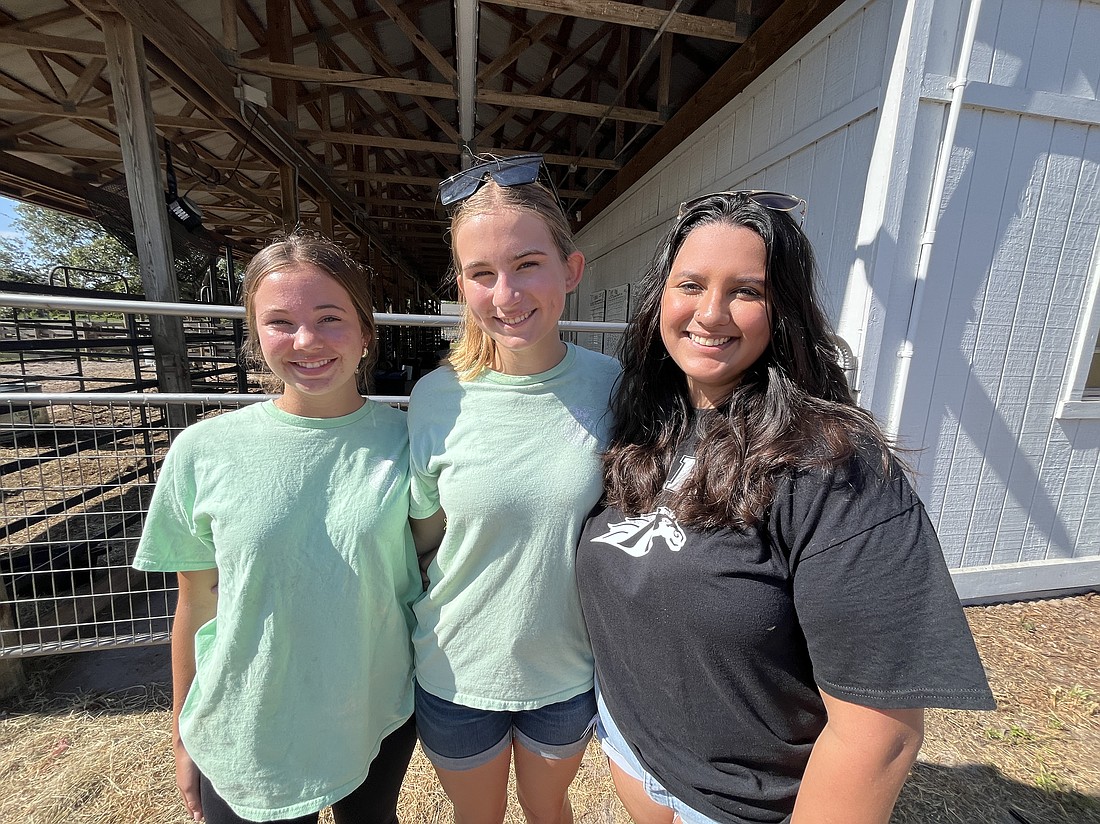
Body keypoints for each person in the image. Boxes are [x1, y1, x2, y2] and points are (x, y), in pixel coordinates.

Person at [575, 191, 996, 824]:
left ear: (785, 311)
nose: (710, 313)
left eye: (746, 291)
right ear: (661, 297)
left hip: (745, 802)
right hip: (636, 751)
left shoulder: (832, 465)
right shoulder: (644, 423)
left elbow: (879, 732)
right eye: (690, 284)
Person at [133, 231, 420, 824]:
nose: (307, 340)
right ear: (256, 334)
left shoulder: (409, 443)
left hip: (371, 707)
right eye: (280, 322)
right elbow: (197, 603)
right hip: (248, 724)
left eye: (330, 317)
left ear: (366, 332)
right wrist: (183, 733)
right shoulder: (203, 451)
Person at [406, 154, 620, 824]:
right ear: (462, 285)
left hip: (564, 670)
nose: (506, 294)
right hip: (455, 670)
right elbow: (423, 538)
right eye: (481, 274)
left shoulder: (615, 388)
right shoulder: (436, 399)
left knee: (548, 813)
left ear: (570, 269)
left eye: (528, 264)